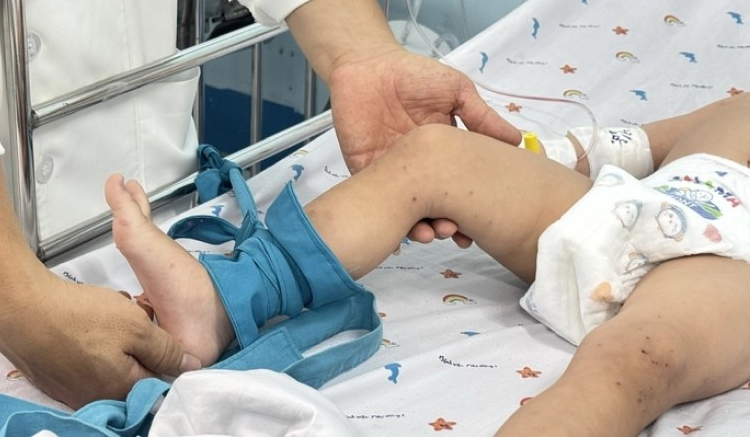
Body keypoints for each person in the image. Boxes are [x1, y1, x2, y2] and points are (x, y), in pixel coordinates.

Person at [0, 0, 519, 407]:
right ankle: (225, 294)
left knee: (433, 164)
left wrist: (362, 54)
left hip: (153, 199)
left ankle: (224, 294)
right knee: (432, 162)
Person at [106, 92, 750, 436]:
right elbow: (632, 146)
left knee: (637, 357)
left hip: (723, 272)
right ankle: (227, 297)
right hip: (642, 206)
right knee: (434, 154)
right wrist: (538, 157)